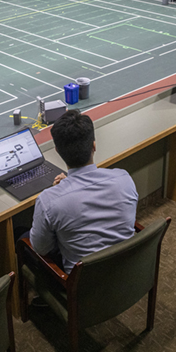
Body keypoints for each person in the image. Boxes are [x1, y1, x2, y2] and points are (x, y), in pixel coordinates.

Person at [26, 110, 139, 274]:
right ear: (94, 145)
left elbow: (41, 248)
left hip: (82, 288)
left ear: (57, 151)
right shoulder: (124, 178)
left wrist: (60, 191)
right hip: (127, 273)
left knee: (22, 237)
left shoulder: (48, 201)